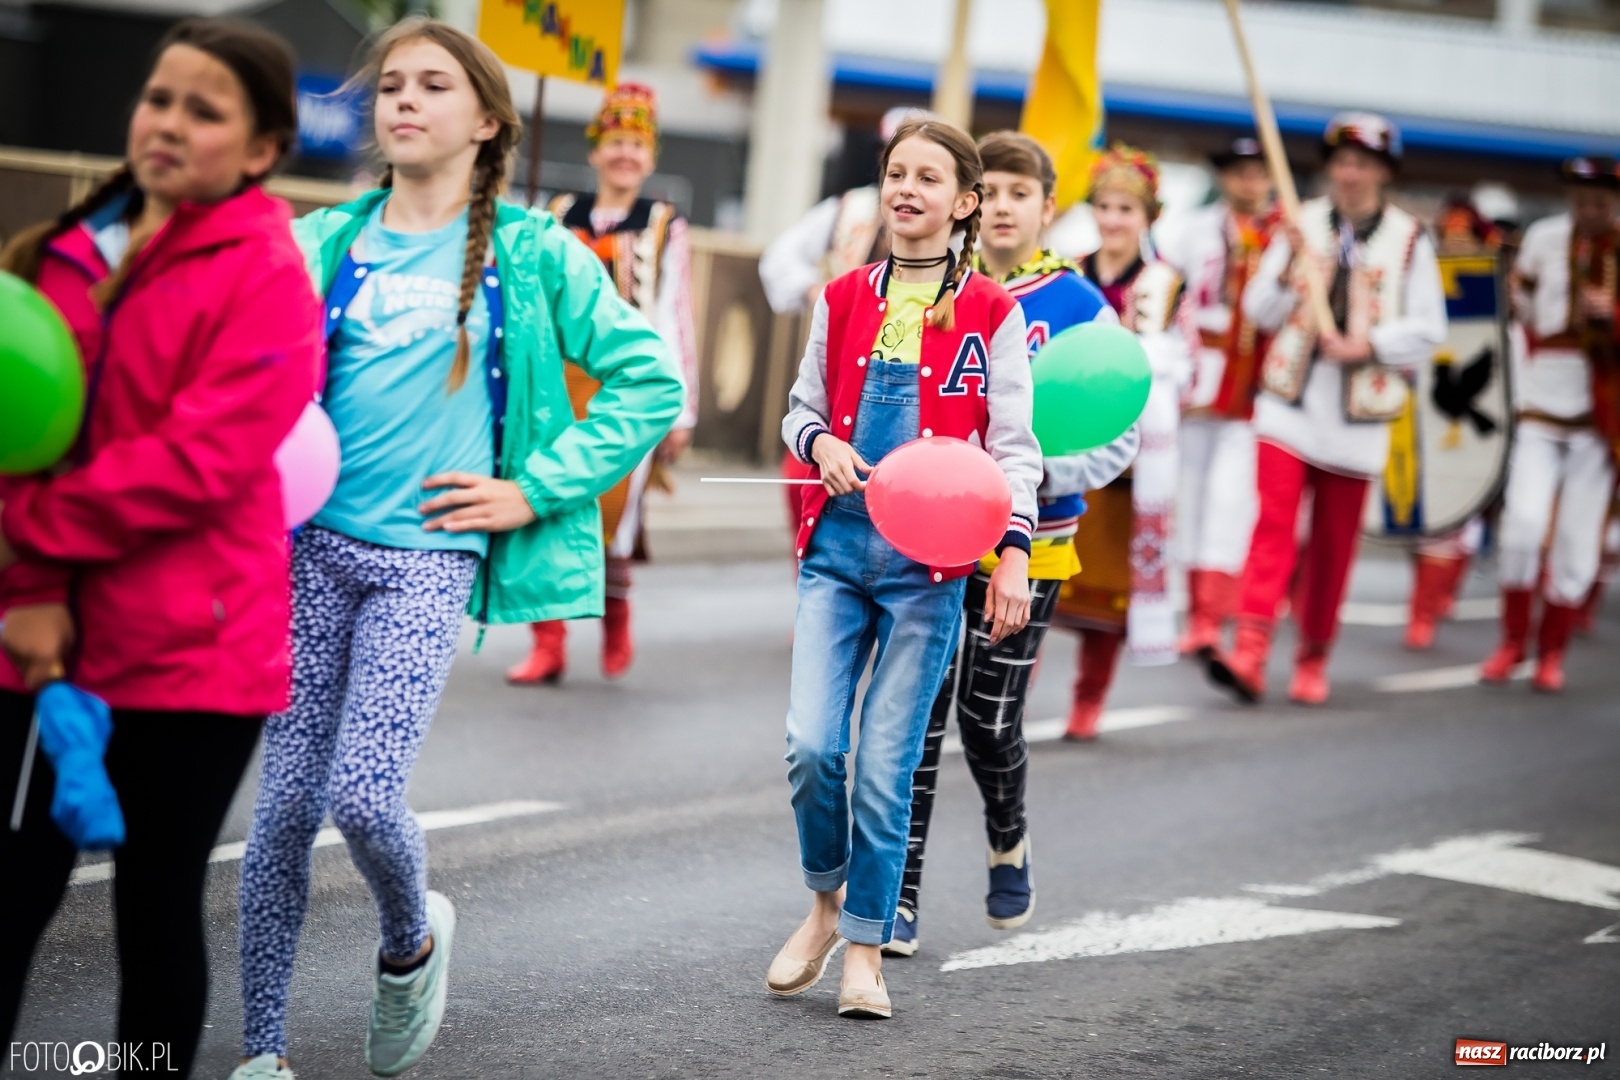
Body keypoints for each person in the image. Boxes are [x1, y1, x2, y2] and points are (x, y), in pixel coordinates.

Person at [231, 20, 683, 1079]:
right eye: (391, 86)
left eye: (434, 86)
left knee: (364, 796)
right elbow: (243, 368)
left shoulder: (532, 254)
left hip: (428, 560)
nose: (404, 102)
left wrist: (533, 489)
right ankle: (259, 1052)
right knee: (283, 809)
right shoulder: (325, 239)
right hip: (312, 556)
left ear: (485, 121)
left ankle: (410, 944)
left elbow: (649, 380)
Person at [0, 19, 319, 1077]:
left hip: (195, 656)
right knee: (9, 893)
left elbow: (202, 461)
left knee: (153, 904)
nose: (169, 124)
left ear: (263, 148)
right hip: (44, 630)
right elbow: (21, 433)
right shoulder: (68, 251)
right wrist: (32, 585)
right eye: (158, 100)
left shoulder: (270, 275)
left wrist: (34, 541)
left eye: (205, 110)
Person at [769, 117, 1042, 1020]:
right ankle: (822, 904)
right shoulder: (844, 295)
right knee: (815, 745)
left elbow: (1015, 449)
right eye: (895, 174)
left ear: (964, 203)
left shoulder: (995, 315)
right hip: (837, 552)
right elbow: (799, 412)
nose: (906, 189)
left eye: (929, 178)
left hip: (930, 572)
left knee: (887, 770)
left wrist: (1011, 551)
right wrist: (823, 444)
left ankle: (866, 954)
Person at [885, 131, 1137, 958]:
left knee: (987, 721)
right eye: (987, 191)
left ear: (1046, 208)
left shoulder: (1079, 307)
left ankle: (1009, 834)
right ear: (967, 201)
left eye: (1017, 194)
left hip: (1036, 546)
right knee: (916, 716)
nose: (1000, 207)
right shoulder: (931, 285)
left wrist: (1021, 476)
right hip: (932, 536)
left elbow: (1116, 433)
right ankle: (899, 894)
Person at [1207, 113, 1446, 705]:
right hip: (1289, 402)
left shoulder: (1410, 239)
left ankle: (1313, 656)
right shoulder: (1299, 222)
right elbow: (1259, 310)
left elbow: (1430, 328)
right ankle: (1252, 651)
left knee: (1335, 546)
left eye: (1363, 163)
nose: (1349, 173)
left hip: (1358, 418)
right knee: (1272, 527)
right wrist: (1290, 271)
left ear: (1384, 172)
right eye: (1341, 162)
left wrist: (1370, 345)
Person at [505, 83, 699, 685]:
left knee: (613, 510)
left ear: (651, 156)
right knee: (543, 498)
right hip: (553, 381)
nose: (624, 155)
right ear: (594, 151)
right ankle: (549, 641)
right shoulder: (556, 215)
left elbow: (676, 315)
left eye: (636, 145)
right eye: (614, 141)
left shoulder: (665, 225)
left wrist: (680, 410)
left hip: (625, 387)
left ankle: (615, 615)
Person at [1054, 144, 1191, 740]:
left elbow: (1189, 365)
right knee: (1033, 578)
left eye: (1126, 210)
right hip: (1061, 442)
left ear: (1147, 218)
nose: (1112, 220)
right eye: (1104, 207)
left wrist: (1149, 365)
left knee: (1106, 595)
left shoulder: (1166, 285)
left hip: (1125, 455)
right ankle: (1008, 693)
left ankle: (1089, 701)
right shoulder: (1065, 272)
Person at [1480, 156, 1619, 691]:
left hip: (1602, 415)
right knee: (1522, 526)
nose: (1591, 209)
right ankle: (1512, 642)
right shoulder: (1543, 237)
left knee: (1578, 539)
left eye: (1601, 201)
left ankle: (1551, 653)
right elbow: (1518, 307)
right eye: (1582, 199)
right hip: (1540, 399)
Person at [1167, 137, 1278, 658]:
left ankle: (1214, 615)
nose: (1248, 182)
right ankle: (1195, 614)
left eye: (1258, 172)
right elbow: (1167, 293)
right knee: (1187, 495)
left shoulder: (1285, 234)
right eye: (1238, 172)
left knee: (1231, 501)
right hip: (1197, 377)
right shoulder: (1193, 230)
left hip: (1258, 385)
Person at [1403, 195, 1504, 651]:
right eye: (1450, 239)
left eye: (1465, 240)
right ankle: (1424, 598)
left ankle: (1427, 611)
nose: (1455, 247)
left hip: (1471, 425)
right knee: (1415, 514)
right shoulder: (1418, 284)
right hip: (1419, 415)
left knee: (1457, 511)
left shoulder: (1499, 300)